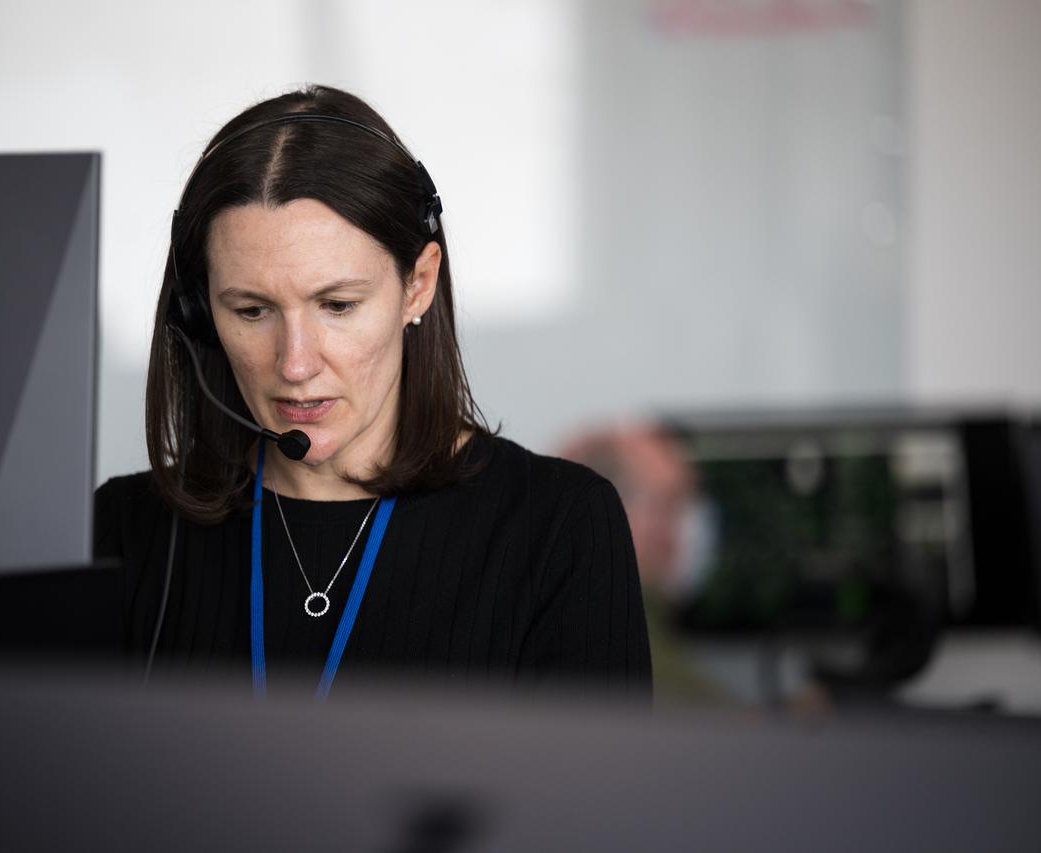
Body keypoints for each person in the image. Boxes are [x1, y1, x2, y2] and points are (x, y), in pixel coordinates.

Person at [94, 85, 650, 700]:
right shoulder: (122, 531)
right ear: (198, 313)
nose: (296, 363)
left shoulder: (559, 526)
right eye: (252, 311)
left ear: (418, 284)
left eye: (337, 305)